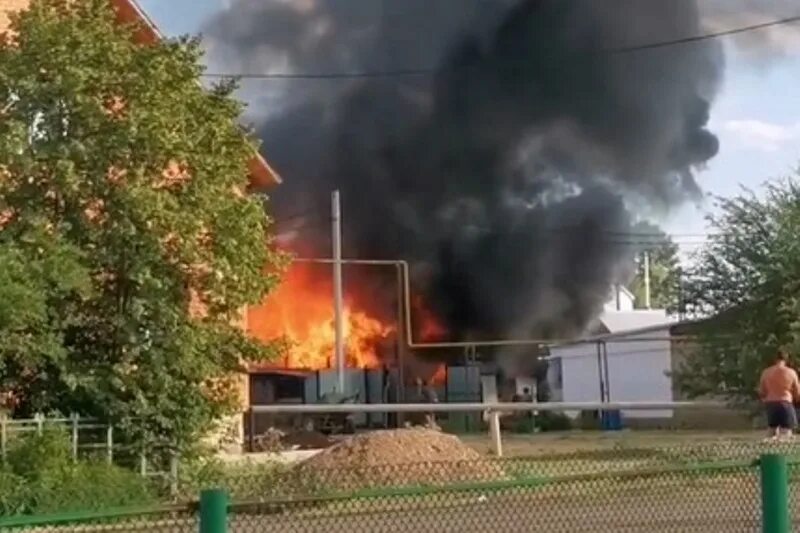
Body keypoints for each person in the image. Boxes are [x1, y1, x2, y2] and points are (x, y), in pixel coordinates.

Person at [758, 348, 800, 441]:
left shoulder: (766, 372)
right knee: (786, 432)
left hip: (771, 404)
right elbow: (798, 393)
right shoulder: (791, 372)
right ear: (786, 360)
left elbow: (761, 392)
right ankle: (784, 451)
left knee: (771, 431)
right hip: (785, 402)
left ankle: (769, 451)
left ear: (775, 359)